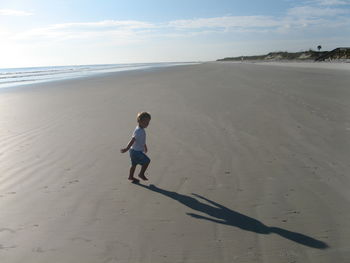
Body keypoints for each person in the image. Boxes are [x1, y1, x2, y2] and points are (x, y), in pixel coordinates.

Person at [121, 112, 151, 182]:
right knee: (147, 161)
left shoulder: (140, 129)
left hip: (133, 151)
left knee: (133, 164)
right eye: (145, 122)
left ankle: (130, 177)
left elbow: (142, 140)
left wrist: (145, 146)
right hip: (136, 152)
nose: (147, 124)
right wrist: (126, 148)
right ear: (140, 121)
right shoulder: (138, 131)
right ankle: (141, 174)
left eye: (148, 122)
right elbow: (133, 140)